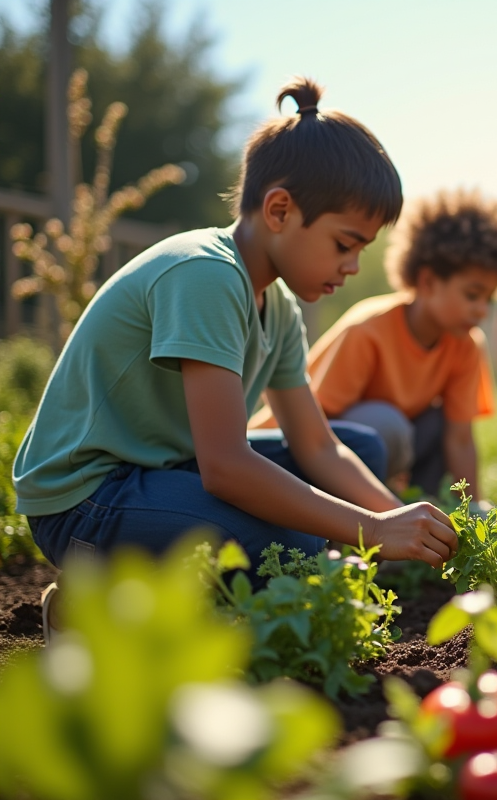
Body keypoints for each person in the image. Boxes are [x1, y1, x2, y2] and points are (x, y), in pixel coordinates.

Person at [16, 78, 459, 638]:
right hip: (87, 498)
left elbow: (317, 444)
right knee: (291, 543)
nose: (351, 266)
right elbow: (225, 466)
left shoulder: (276, 305)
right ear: (279, 210)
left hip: (163, 472)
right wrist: (369, 529)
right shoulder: (204, 273)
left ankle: (259, 578)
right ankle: (96, 602)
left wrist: (401, 521)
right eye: (344, 244)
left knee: (361, 451)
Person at [253, 188, 497, 498]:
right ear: (427, 282)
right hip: (285, 449)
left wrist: (475, 509)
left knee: (440, 423)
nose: (482, 310)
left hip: (380, 445)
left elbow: (460, 438)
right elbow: (316, 429)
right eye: (472, 295)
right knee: (387, 424)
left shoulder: (466, 344)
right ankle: (365, 517)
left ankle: (428, 513)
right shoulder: (368, 329)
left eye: (489, 299)